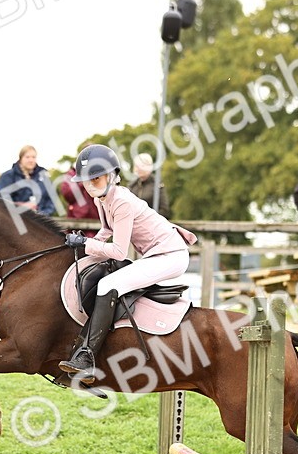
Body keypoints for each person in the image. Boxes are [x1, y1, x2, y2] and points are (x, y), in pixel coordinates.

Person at [57, 144, 196, 384]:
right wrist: (84, 245)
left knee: (108, 285)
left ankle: (87, 357)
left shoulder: (121, 201)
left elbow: (119, 251)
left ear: (111, 176)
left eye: (96, 179)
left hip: (171, 256)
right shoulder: (103, 199)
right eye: (86, 181)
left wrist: (85, 243)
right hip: (156, 254)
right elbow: (106, 230)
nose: (90, 185)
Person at [0, 145, 57, 216]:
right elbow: (3, 199)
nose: (31, 160)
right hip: (16, 218)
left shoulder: (44, 176)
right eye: (27, 157)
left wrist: (43, 215)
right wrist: (20, 207)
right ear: (21, 158)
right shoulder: (8, 176)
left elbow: (52, 200)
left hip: (41, 219)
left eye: (33, 157)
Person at [126, 153, 170, 218]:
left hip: (152, 221)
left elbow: (164, 210)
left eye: (142, 166)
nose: (139, 169)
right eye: (137, 166)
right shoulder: (132, 185)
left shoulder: (157, 185)